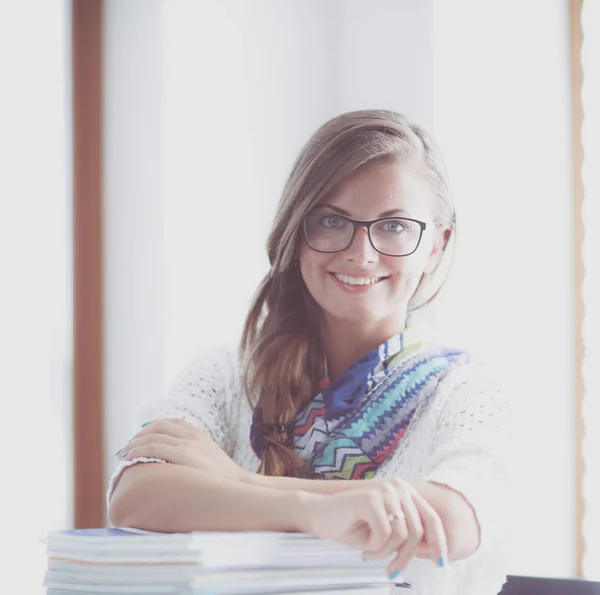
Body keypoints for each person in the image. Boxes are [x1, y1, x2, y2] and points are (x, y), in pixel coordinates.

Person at [107, 110, 509, 594]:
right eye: (332, 221)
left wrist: (235, 482)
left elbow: (453, 519)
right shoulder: (224, 374)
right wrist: (315, 510)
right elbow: (137, 494)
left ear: (437, 245)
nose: (361, 253)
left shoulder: (465, 389)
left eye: (396, 227)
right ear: (296, 232)